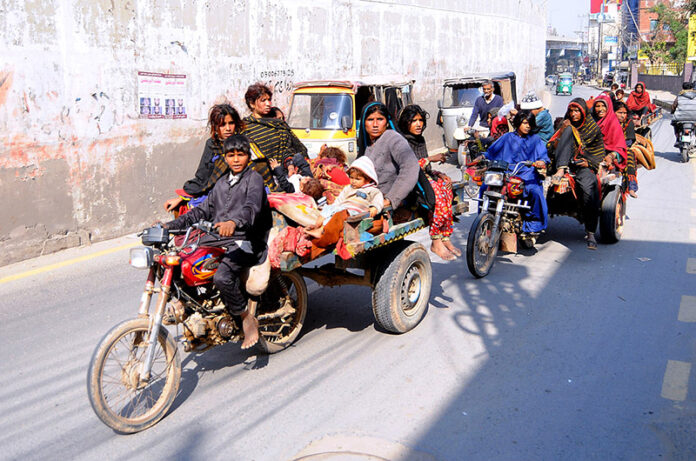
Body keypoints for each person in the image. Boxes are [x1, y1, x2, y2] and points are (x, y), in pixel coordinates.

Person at [163, 135, 272, 350]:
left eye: (241, 154)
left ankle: (245, 317)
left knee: (222, 276)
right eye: (231, 155)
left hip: (247, 240)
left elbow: (251, 208)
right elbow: (201, 211)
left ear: (248, 157)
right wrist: (169, 226)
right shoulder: (221, 183)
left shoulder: (255, 179)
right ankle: (194, 308)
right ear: (225, 157)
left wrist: (234, 222)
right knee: (181, 261)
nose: (236, 159)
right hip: (220, 239)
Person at [398, 104, 460, 260]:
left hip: (422, 177)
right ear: (406, 123)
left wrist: (441, 175)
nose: (418, 124)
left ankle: (445, 237)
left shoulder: (421, 139)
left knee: (446, 189)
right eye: (414, 121)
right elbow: (409, 167)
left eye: (420, 120)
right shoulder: (401, 142)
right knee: (437, 196)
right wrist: (431, 158)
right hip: (409, 182)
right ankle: (435, 240)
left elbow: (426, 169)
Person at [164, 104, 244, 212]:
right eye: (222, 124)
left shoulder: (244, 144)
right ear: (215, 127)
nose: (228, 128)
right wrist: (181, 198)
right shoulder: (211, 145)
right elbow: (202, 177)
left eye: (231, 123)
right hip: (213, 193)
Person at [549, 98, 606, 250]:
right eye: (571, 111)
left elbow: (599, 151)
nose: (574, 114)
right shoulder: (567, 124)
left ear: (583, 112)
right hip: (563, 162)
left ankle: (591, 231)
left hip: (584, 164)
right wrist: (562, 129)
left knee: (589, 190)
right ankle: (561, 169)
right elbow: (554, 143)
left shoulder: (592, 128)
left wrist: (589, 162)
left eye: (577, 111)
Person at [484, 110, 549, 237]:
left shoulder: (536, 140)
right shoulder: (507, 137)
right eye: (524, 123)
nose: (527, 126)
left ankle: (534, 224)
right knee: (484, 188)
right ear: (518, 123)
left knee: (535, 192)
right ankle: (485, 219)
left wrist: (541, 162)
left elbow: (543, 156)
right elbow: (491, 151)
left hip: (527, 175)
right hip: (505, 174)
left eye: (530, 123)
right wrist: (482, 157)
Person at [305, 157, 383, 245]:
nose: (353, 181)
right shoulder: (348, 188)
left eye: (357, 179)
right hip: (343, 207)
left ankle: (321, 230)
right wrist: (332, 208)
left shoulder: (372, 190)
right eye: (351, 178)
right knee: (329, 210)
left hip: (355, 212)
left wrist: (374, 207)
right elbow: (339, 200)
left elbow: (378, 199)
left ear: (368, 179)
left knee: (339, 215)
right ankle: (318, 225)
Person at [358, 102, 420, 212]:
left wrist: (391, 199)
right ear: (363, 122)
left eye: (380, 119)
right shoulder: (366, 144)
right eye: (370, 120)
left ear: (387, 122)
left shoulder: (392, 138)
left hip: (386, 200)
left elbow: (411, 167)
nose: (375, 124)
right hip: (367, 197)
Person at [591, 93, 628, 172]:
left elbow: (620, 148)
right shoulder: (590, 122)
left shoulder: (613, 123)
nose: (600, 109)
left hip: (607, 155)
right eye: (598, 106)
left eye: (603, 106)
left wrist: (611, 156)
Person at [614, 101, 639, 198]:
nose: (622, 115)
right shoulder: (609, 122)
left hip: (622, 149)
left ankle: (631, 187)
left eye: (624, 113)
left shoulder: (628, 123)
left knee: (629, 156)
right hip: (606, 148)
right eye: (620, 113)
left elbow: (628, 142)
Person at [671, 81, 696, 146]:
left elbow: (674, 106)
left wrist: (672, 112)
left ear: (683, 88)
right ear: (692, 88)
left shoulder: (679, 96)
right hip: (694, 118)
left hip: (680, 118)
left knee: (675, 123)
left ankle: (677, 139)